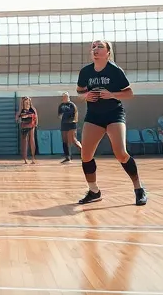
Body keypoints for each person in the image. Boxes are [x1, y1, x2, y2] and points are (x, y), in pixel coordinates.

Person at [74, 40, 146, 206]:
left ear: (108, 52)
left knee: (121, 153)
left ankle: (139, 189)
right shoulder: (85, 71)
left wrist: (112, 94)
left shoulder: (115, 70)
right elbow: (79, 92)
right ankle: (94, 191)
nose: (96, 49)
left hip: (114, 114)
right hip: (94, 116)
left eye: (100, 47)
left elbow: (129, 93)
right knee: (86, 155)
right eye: (93, 47)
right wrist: (86, 96)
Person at [57, 92, 79, 163]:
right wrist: (63, 118)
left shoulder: (72, 105)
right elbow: (59, 115)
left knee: (74, 140)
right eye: (63, 97)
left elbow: (76, 113)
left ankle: (84, 152)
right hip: (64, 124)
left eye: (66, 96)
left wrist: (74, 121)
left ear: (68, 97)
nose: (65, 98)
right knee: (64, 140)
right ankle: (67, 157)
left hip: (72, 124)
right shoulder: (61, 105)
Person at [17, 96, 38, 164]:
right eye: (25, 102)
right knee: (25, 142)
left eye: (28, 102)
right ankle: (25, 159)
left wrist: (35, 123)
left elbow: (36, 117)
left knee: (32, 140)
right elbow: (17, 118)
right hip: (24, 126)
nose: (27, 103)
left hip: (31, 126)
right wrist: (19, 117)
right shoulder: (21, 110)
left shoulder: (32, 109)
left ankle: (33, 158)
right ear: (23, 103)